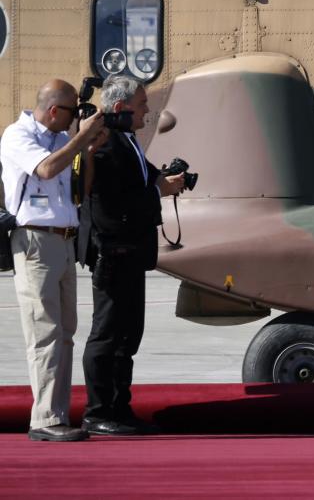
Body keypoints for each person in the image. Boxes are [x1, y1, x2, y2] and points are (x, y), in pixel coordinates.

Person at [0, 79, 105, 441]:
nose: (77, 116)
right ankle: (44, 419)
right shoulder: (18, 136)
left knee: (64, 334)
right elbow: (44, 170)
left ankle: (57, 414)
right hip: (34, 242)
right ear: (54, 111)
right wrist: (79, 139)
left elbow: (82, 190)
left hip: (63, 241)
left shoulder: (62, 139)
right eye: (73, 111)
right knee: (43, 332)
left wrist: (88, 150)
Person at [81, 74, 184, 436]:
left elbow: (143, 178)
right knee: (108, 334)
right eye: (141, 105)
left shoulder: (127, 140)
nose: (146, 111)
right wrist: (157, 193)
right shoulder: (105, 143)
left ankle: (119, 408)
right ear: (122, 108)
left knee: (128, 335)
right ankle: (98, 411)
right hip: (114, 251)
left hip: (132, 252)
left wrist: (165, 181)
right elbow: (112, 202)